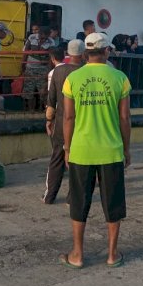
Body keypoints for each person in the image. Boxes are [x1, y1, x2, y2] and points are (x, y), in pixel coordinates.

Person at [60, 32, 131, 269]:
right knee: (113, 202)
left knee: (80, 202)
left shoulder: (73, 78)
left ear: (85, 53)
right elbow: (124, 117)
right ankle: (112, 254)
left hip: (81, 150)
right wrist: (127, 148)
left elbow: (68, 117)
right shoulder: (120, 78)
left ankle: (78, 254)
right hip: (111, 150)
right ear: (107, 51)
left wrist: (67, 149)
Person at [43, 39, 84, 204]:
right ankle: (71, 198)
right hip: (80, 124)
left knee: (56, 160)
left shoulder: (58, 72)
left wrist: (48, 120)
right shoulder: (85, 73)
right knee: (77, 164)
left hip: (60, 122)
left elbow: (51, 100)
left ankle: (49, 196)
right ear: (83, 54)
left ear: (68, 53)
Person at [22, 26, 55, 111]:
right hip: (30, 67)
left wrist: (49, 71)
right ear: (39, 34)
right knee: (29, 91)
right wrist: (23, 65)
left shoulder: (51, 42)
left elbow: (51, 58)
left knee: (43, 91)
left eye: (45, 38)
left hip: (43, 69)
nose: (43, 40)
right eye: (42, 37)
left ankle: (46, 110)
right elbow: (25, 52)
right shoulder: (31, 37)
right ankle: (30, 111)